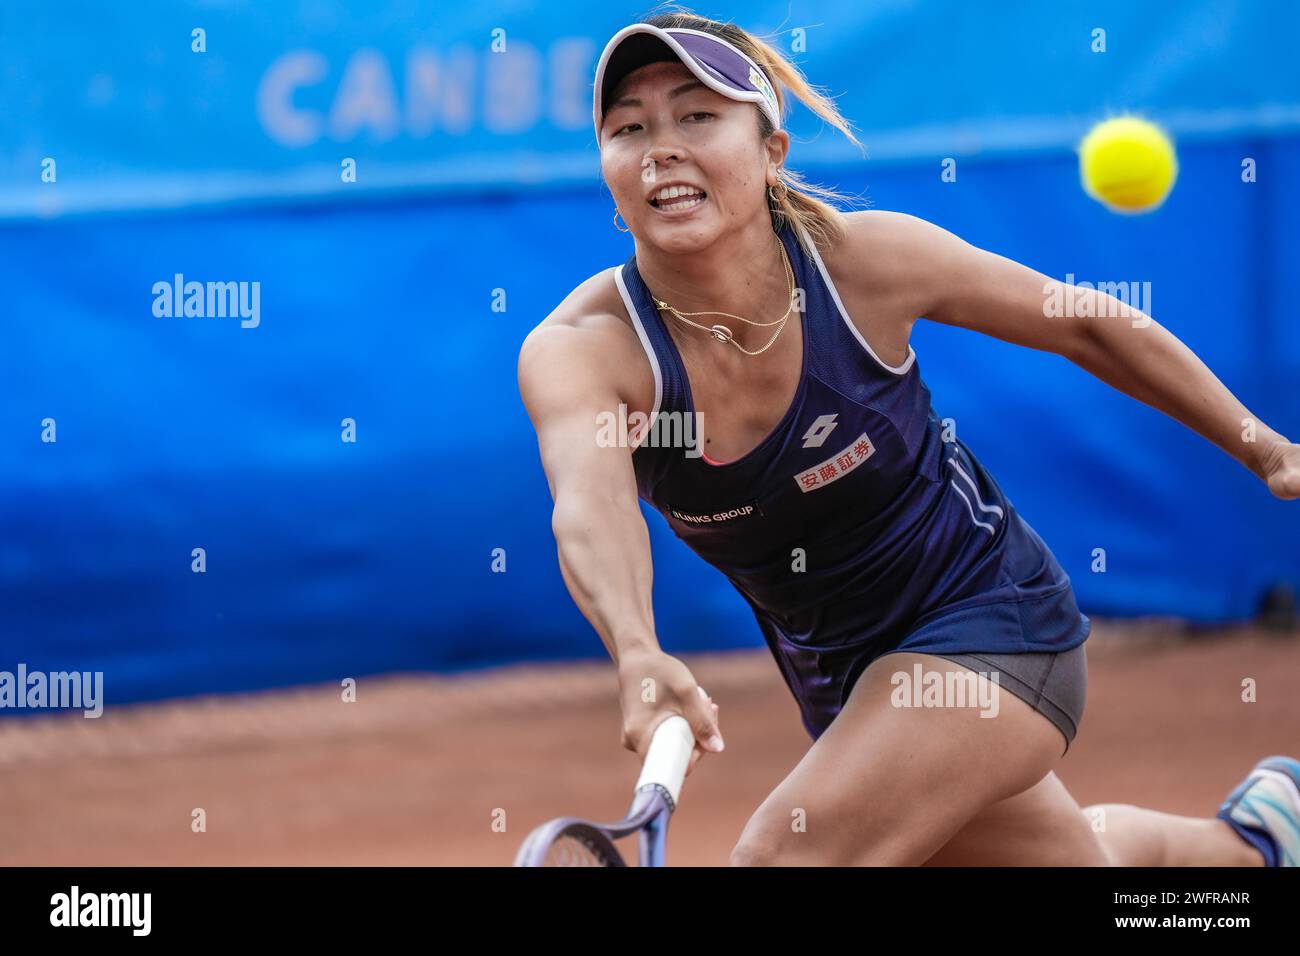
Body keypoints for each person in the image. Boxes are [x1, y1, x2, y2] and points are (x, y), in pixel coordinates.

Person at [517, 11, 1300, 865]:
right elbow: (588, 507)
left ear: (772, 149)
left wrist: (1270, 449)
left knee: (785, 858)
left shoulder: (866, 265)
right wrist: (636, 651)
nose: (660, 146)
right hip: (843, 686)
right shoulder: (586, 352)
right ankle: (1256, 842)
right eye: (628, 128)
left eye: (697, 116)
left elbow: (1086, 324)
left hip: (992, 620)